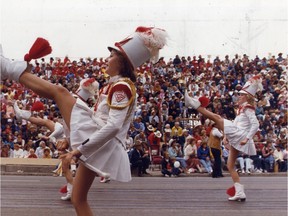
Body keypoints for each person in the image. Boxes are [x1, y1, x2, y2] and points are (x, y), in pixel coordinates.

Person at [1, 26, 168, 215]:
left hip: (102, 143)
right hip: (99, 142)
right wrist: (73, 141)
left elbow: (113, 126)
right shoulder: (116, 85)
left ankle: (9, 69)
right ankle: (11, 69)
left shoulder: (122, 87)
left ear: (122, 63)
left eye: (111, 56)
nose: (106, 59)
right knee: (78, 199)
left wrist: (79, 149)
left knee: (60, 92)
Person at [185, 75, 262, 201]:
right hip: (237, 135)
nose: (239, 96)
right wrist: (226, 136)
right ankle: (239, 192)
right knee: (230, 165)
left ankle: (194, 104)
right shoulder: (242, 109)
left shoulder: (248, 108)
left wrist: (247, 138)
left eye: (242, 95)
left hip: (240, 135)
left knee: (217, 118)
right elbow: (238, 123)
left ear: (247, 97)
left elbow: (256, 125)